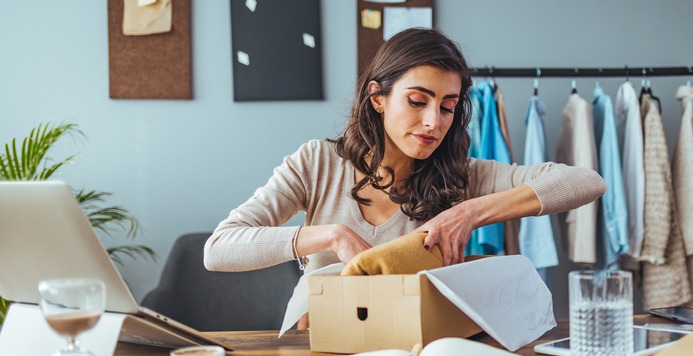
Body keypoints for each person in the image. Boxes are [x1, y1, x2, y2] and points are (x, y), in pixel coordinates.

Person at [204, 28, 606, 327]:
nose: (433, 121)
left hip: (419, 351)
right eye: (417, 101)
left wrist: (467, 213)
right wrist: (332, 236)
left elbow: (587, 181)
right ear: (378, 98)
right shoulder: (317, 162)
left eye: (448, 107)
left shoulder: (464, 176)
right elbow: (219, 248)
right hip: (322, 346)